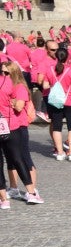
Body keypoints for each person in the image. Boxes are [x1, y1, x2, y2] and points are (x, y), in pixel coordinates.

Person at [0, 60, 44, 204]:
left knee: (23, 158)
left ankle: (32, 190)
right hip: (7, 126)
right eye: (2, 72)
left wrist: (10, 102)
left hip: (19, 126)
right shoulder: (7, 85)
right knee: (10, 160)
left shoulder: (19, 87)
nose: (4, 75)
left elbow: (19, 106)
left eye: (7, 72)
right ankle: (13, 187)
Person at [42, 47, 71, 162]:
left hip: (55, 101)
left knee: (57, 127)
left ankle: (60, 153)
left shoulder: (50, 70)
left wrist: (55, 86)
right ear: (67, 57)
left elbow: (45, 86)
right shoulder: (70, 71)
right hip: (68, 102)